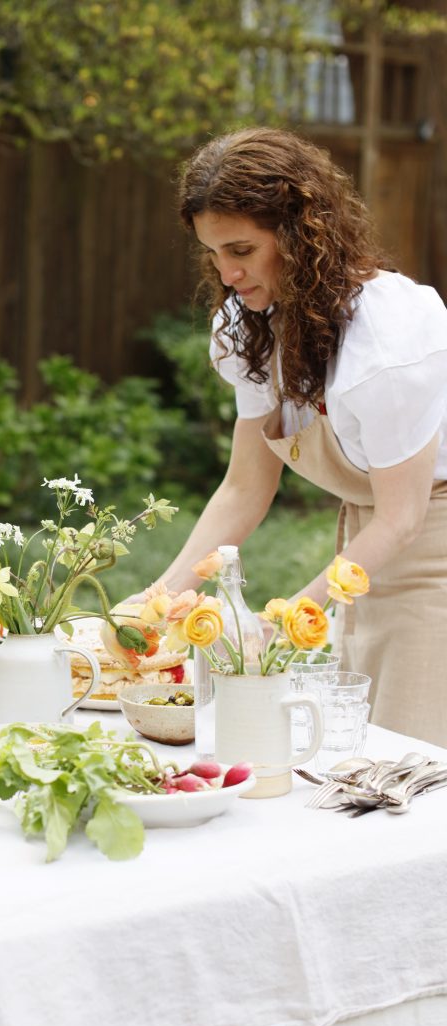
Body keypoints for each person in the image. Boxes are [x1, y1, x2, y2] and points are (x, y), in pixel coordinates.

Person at [151, 126, 447, 745]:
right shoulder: (252, 325)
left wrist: (284, 620)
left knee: (413, 760)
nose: (227, 273)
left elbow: (402, 519)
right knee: (354, 749)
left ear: (299, 233)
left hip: (430, 543)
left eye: (241, 250)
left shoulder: (389, 339)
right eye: (213, 255)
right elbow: (243, 488)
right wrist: (156, 601)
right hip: (368, 536)